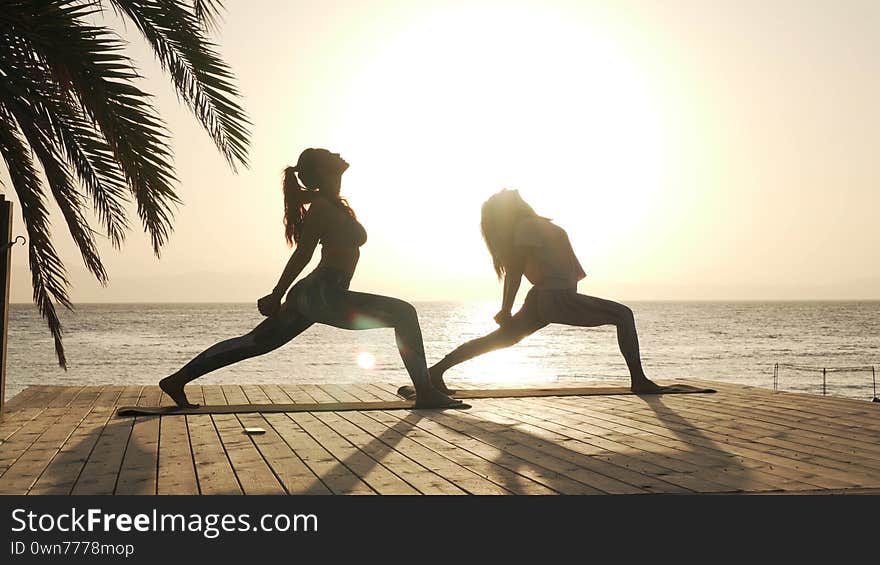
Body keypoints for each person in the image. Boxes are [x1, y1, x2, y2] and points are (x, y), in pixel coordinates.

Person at [160, 148, 461, 408]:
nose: (337, 155)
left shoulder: (327, 201)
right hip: (324, 292)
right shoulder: (322, 207)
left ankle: (177, 380)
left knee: (255, 342)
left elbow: (306, 197)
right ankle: (425, 391)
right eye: (329, 155)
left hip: (315, 293)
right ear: (321, 169)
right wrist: (276, 293)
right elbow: (303, 254)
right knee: (404, 313)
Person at [428, 188, 662, 395]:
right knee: (623, 315)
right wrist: (505, 310)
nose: (513, 193)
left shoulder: (528, 225)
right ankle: (639, 380)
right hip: (556, 296)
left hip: (545, 297)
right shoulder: (527, 227)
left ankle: (435, 372)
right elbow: (515, 271)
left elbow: (517, 270)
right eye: (507, 196)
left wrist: (508, 310)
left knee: (501, 339)